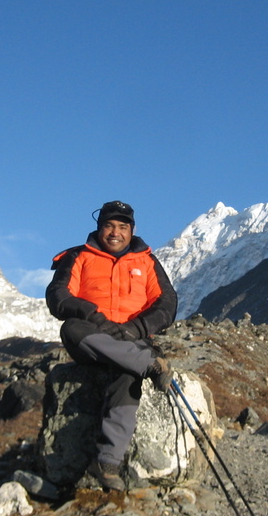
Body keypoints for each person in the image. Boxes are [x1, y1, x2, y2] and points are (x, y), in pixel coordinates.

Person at [46, 200, 177, 491]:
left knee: (127, 374)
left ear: (132, 230)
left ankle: (106, 464)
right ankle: (148, 365)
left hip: (133, 339)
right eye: (109, 226)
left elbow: (167, 304)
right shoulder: (78, 257)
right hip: (92, 337)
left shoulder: (147, 261)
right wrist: (92, 316)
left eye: (122, 227)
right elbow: (58, 296)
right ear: (99, 227)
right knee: (71, 328)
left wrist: (138, 328)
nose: (115, 232)